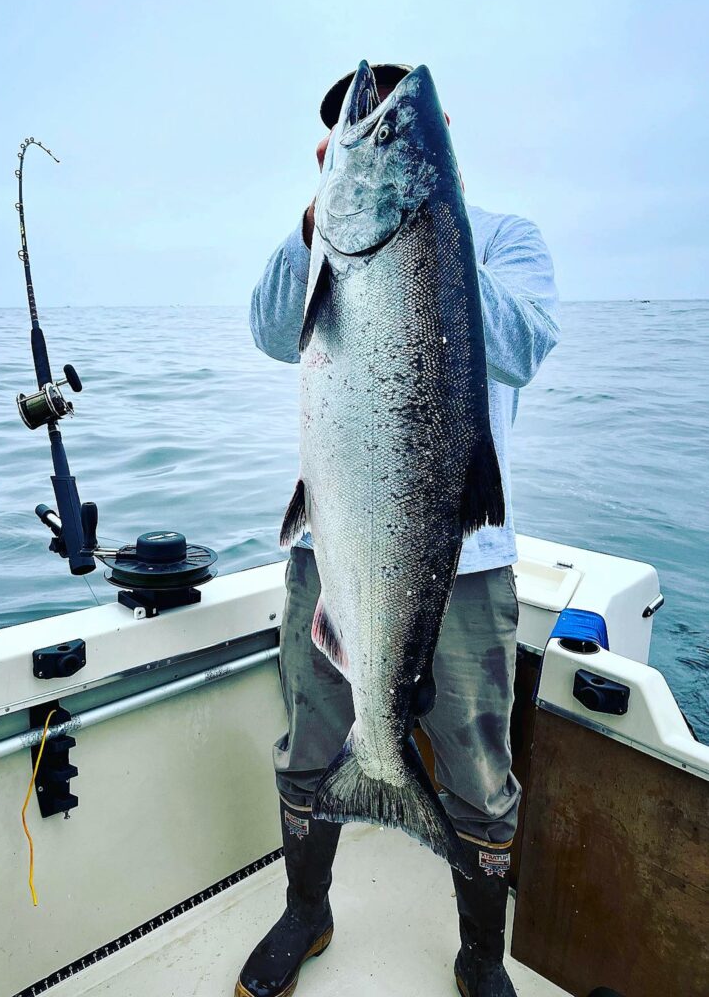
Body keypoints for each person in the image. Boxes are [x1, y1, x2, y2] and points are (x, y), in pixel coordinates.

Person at [235, 62, 560, 997]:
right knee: (309, 739)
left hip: (463, 551)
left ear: (440, 139)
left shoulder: (504, 238)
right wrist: (316, 232)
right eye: (346, 116)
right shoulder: (321, 236)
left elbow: (527, 349)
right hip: (328, 543)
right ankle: (307, 910)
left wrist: (432, 235)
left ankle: (477, 956)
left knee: (477, 766)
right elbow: (266, 331)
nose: (358, 125)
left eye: (384, 120)